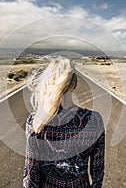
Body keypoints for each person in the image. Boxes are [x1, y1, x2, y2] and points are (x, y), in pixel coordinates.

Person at [23, 56, 105, 188]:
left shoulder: (36, 121)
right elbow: (97, 170)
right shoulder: (94, 120)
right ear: (74, 84)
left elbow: (31, 173)